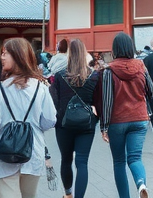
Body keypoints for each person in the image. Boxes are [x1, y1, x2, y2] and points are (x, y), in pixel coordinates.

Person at [0, 37, 57, 197]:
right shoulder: (41, 87)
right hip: (33, 152)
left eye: (5, 53)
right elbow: (50, 121)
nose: (1, 57)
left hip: (5, 154)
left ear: (18, 56)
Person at [95, 32, 153, 198]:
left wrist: (104, 126)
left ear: (114, 49)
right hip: (140, 119)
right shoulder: (141, 67)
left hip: (117, 121)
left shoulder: (109, 71)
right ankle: (141, 183)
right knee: (135, 158)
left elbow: (107, 101)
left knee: (119, 162)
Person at [49, 38, 100, 198]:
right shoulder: (94, 76)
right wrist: (95, 121)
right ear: (84, 54)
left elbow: (54, 103)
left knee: (66, 160)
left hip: (64, 125)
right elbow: (99, 103)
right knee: (82, 162)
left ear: (69, 55)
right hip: (86, 125)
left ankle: (68, 194)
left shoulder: (59, 76)